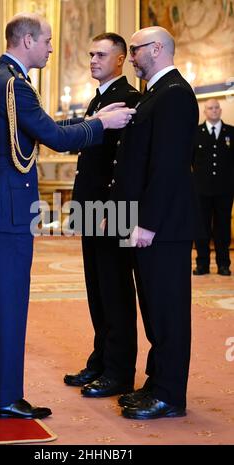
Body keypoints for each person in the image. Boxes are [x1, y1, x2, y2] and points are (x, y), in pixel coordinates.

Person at [0, 13, 134, 420]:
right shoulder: (15, 84)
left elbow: (40, 126)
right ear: (28, 40)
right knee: (9, 303)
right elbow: (51, 137)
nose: (52, 48)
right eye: (48, 41)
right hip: (9, 210)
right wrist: (101, 124)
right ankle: (4, 398)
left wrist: (90, 122)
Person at [109, 26, 199, 419]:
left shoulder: (175, 95)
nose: (130, 57)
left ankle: (170, 395)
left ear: (157, 49)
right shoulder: (157, 95)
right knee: (154, 307)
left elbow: (168, 168)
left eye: (135, 49)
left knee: (168, 310)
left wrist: (145, 223)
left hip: (162, 227)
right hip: (148, 224)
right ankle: (156, 383)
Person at [63, 33, 141, 397]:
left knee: (115, 291)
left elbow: (124, 164)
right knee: (97, 288)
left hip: (113, 210)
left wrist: (113, 209)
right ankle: (100, 361)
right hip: (92, 208)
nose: (92, 59)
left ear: (121, 59)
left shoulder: (129, 99)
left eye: (101, 54)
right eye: (90, 53)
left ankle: (119, 371)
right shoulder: (100, 97)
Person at [192, 99, 234, 276]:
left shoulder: (231, 132)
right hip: (201, 190)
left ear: (221, 110)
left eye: (217, 107)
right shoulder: (195, 133)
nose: (214, 110)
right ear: (205, 111)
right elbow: (189, 161)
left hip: (225, 189)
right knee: (201, 227)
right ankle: (202, 263)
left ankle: (223, 264)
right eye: (210, 108)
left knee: (223, 227)